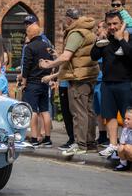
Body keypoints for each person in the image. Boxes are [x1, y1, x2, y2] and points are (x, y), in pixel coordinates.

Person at [40, 8, 99, 156]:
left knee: (79, 113)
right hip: (89, 75)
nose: (63, 22)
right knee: (89, 111)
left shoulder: (75, 33)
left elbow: (66, 57)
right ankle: (90, 143)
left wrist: (48, 65)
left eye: (64, 19)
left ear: (69, 19)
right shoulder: (89, 31)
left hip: (78, 78)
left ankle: (80, 144)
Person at [91, 10, 132, 158]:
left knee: (128, 116)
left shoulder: (129, 37)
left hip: (125, 83)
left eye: (115, 23)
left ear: (121, 24)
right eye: (109, 24)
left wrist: (121, 40)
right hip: (107, 83)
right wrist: (98, 41)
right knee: (109, 115)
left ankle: (128, 147)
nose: (112, 27)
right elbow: (94, 56)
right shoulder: (106, 39)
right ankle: (113, 145)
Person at [22, 23, 54, 147]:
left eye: (27, 32)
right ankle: (47, 139)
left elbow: (27, 65)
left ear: (31, 33)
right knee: (45, 110)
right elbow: (51, 62)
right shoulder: (47, 46)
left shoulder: (30, 47)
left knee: (33, 110)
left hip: (33, 82)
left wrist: (24, 80)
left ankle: (34, 139)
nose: (27, 34)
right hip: (44, 82)